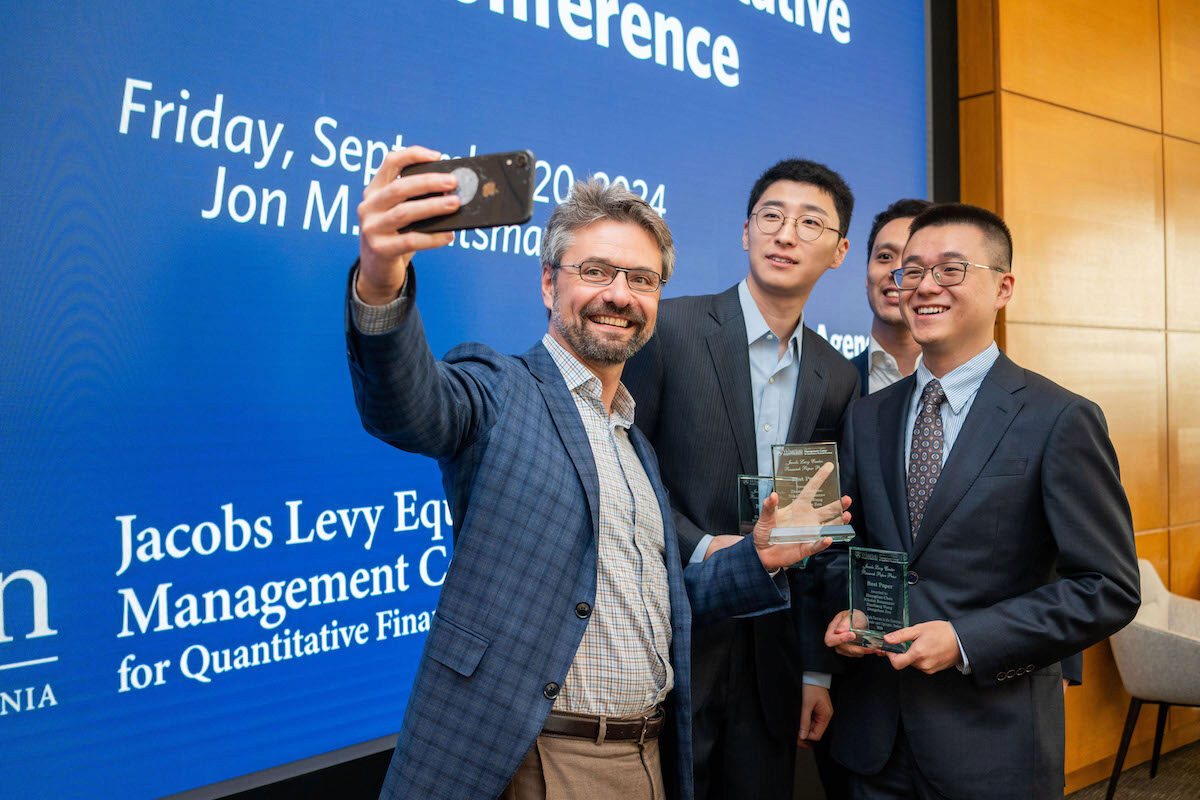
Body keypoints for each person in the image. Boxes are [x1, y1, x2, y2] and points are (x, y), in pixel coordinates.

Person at [348, 146, 845, 800]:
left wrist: (755, 558)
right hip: (526, 756)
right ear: (550, 284)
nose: (619, 294)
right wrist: (382, 277)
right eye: (597, 271)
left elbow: (666, 608)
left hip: (646, 757)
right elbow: (409, 407)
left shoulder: (634, 444)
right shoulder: (502, 390)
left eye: (641, 279)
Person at [823, 202, 1140, 799]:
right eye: (910, 271)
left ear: (1003, 287)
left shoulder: (1058, 419)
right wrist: (854, 609)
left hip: (992, 743)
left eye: (950, 270)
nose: (924, 287)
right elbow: (848, 547)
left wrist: (968, 640)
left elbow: (1106, 587)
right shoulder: (867, 418)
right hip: (874, 740)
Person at [624, 159, 860, 799]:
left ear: (838, 252)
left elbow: (816, 532)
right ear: (746, 232)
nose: (786, 235)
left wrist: (817, 669)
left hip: (771, 651)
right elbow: (621, 472)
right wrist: (708, 547)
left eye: (810, 223)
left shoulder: (836, 377)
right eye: (772, 217)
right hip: (675, 632)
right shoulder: (668, 330)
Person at [850, 199, 931, 395]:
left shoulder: (974, 385)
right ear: (867, 273)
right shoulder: (834, 385)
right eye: (885, 257)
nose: (896, 270)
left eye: (912, 260)